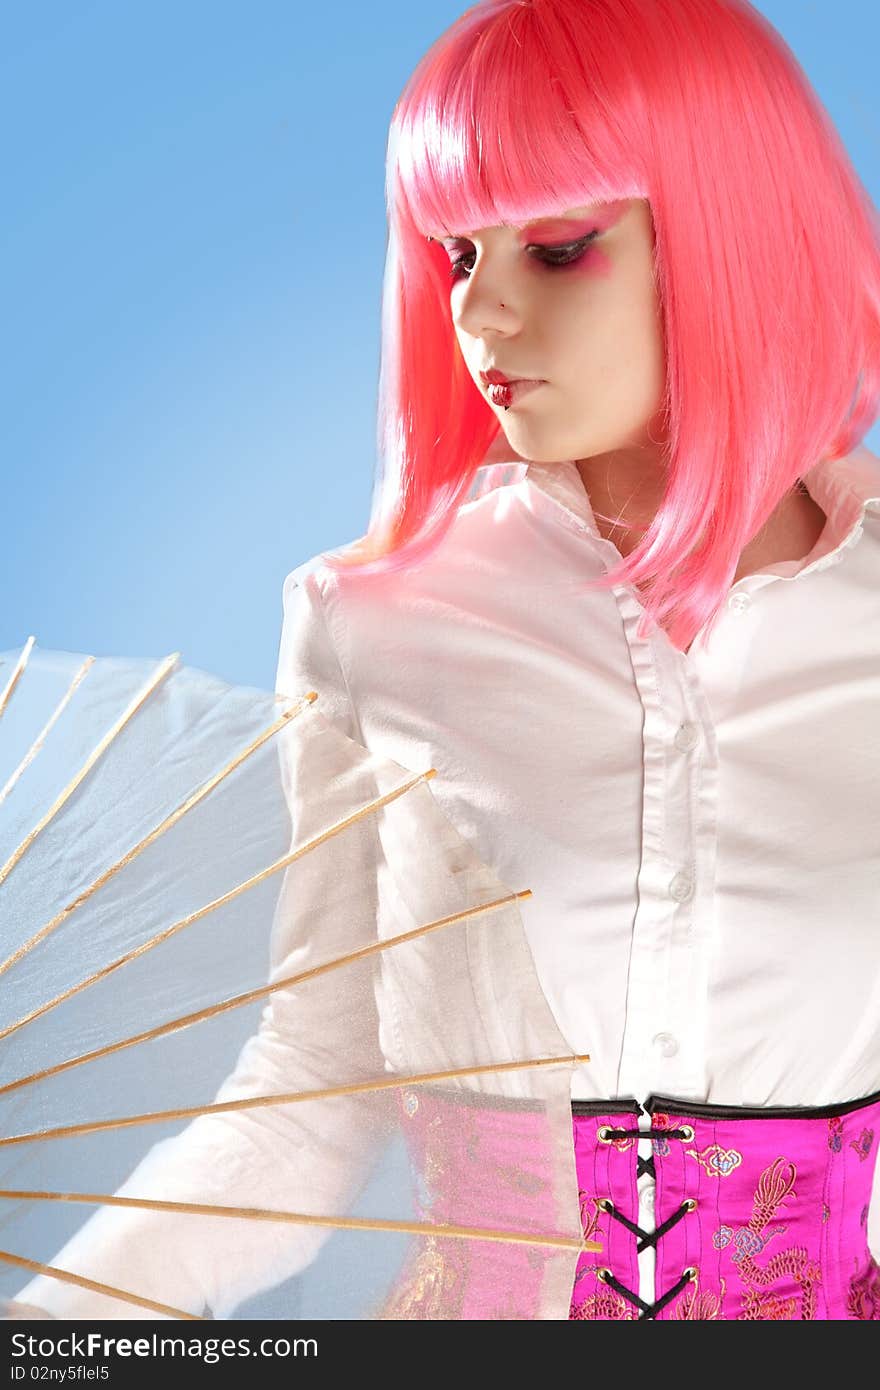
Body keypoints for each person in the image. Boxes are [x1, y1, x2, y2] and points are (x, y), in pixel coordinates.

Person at [8, 0, 880, 1320]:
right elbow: (302, 1107)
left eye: (562, 245)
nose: (482, 309)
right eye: (460, 251)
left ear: (735, 232)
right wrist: (58, 1340)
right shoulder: (378, 622)